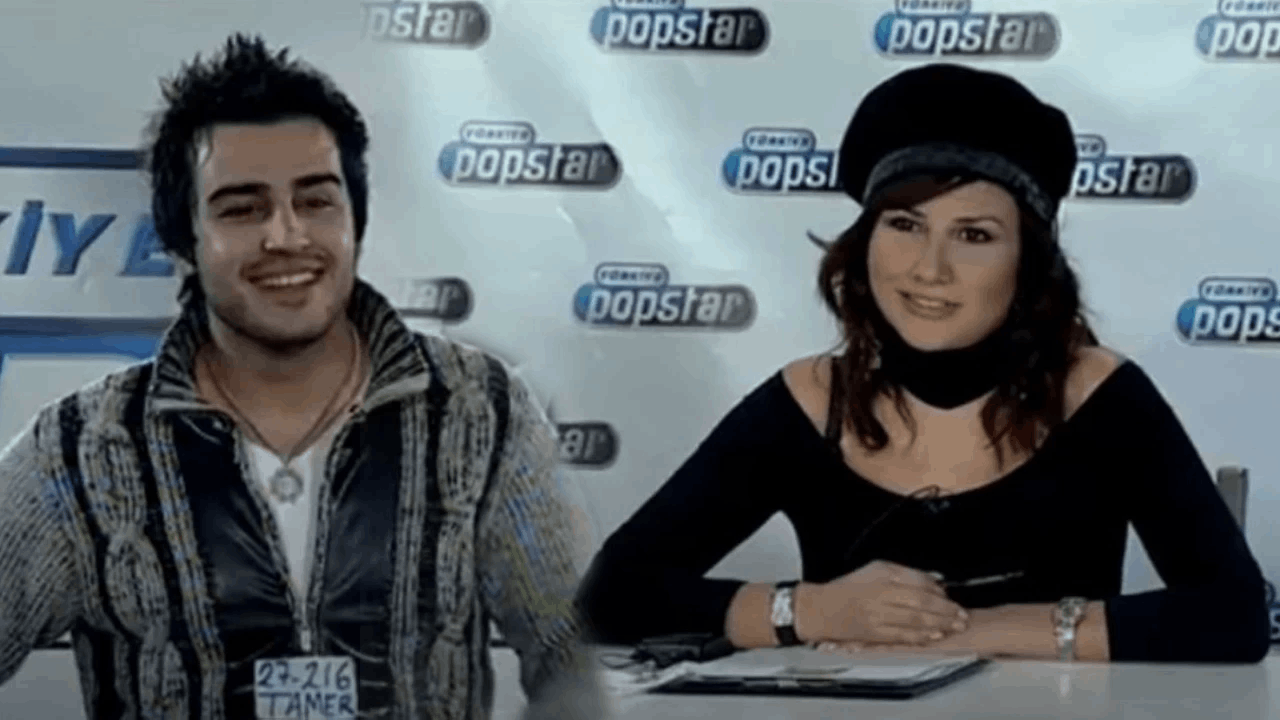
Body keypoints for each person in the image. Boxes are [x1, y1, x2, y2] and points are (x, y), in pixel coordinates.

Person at [576, 63, 1271, 664]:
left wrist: (972, 631)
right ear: (865, 245)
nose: (929, 269)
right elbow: (609, 596)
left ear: (1028, 264)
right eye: (905, 225)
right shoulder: (811, 397)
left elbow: (1233, 613)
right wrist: (809, 611)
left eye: (974, 235)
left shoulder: (1095, 392)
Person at [0, 34, 603, 719]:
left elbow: (580, 662)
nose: (286, 237)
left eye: (316, 201)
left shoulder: (480, 410)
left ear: (355, 219)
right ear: (182, 238)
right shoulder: (80, 450)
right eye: (241, 208)